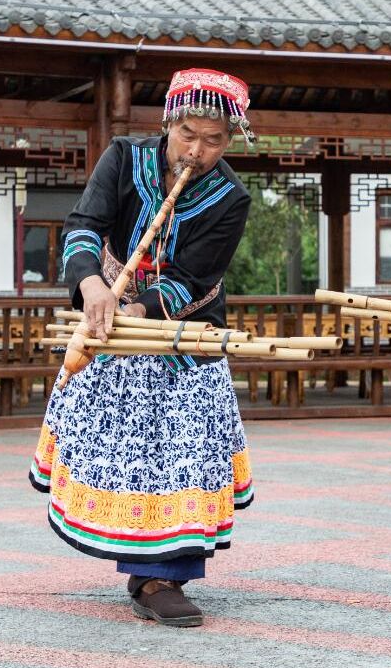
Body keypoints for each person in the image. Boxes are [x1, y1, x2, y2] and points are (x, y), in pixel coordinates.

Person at [29, 68, 255, 628]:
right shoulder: (124, 158)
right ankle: (138, 563)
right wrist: (92, 288)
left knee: (185, 454)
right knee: (131, 459)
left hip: (184, 333)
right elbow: (83, 227)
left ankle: (163, 577)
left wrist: (136, 312)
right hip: (109, 322)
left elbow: (194, 279)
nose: (198, 151)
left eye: (214, 141)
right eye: (189, 135)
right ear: (168, 124)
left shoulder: (231, 196)